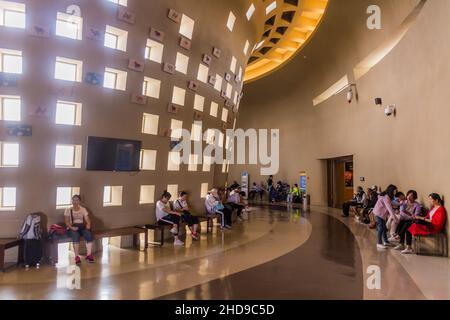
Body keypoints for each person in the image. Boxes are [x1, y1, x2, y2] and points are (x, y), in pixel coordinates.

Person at [64, 195, 94, 265]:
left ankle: (89, 255)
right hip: (71, 228)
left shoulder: (83, 209)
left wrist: (88, 224)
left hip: (81, 227)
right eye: (73, 200)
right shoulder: (68, 210)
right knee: (75, 235)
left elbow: (87, 219)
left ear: (79, 201)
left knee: (88, 234)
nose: (75, 201)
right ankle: (76, 256)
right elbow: (66, 221)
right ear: (72, 201)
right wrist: (72, 228)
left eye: (77, 200)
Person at [372, 184, 398, 249]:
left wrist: (401, 203)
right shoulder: (386, 197)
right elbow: (389, 208)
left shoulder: (388, 197)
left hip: (382, 214)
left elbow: (392, 203)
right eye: (394, 191)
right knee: (381, 228)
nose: (395, 192)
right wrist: (394, 217)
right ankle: (379, 243)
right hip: (379, 214)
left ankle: (385, 241)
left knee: (384, 228)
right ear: (391, 190)